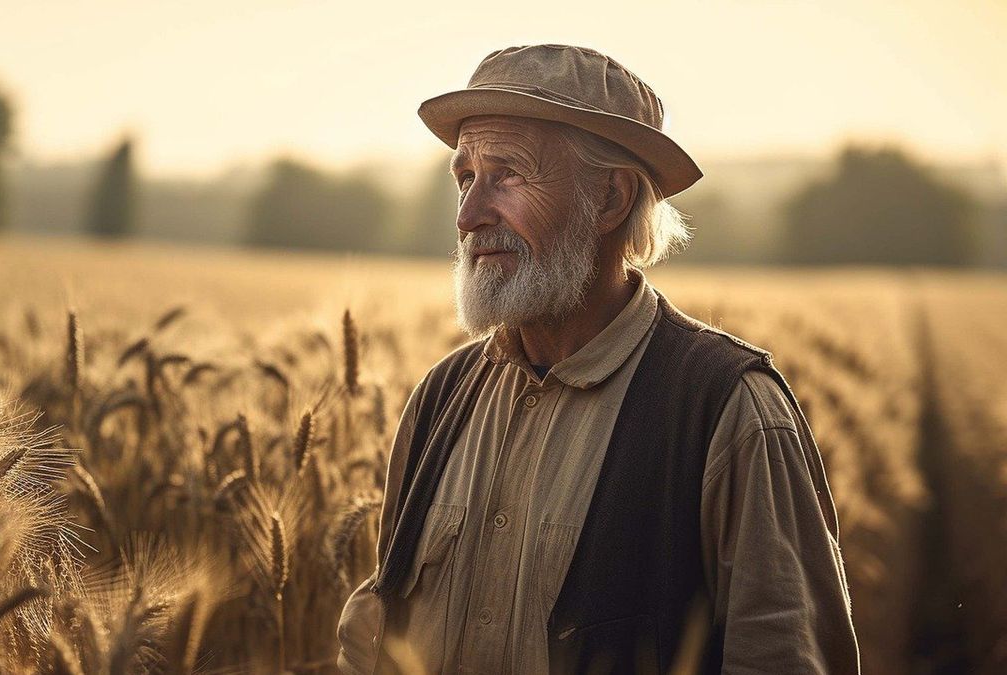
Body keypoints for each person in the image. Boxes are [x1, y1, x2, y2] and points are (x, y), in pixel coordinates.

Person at [336, 44, 860, 674]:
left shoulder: (727, 412)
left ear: (611, 199)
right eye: (465, 177)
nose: (470, 215)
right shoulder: (441, 398)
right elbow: (377, 645)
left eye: (507, 174)